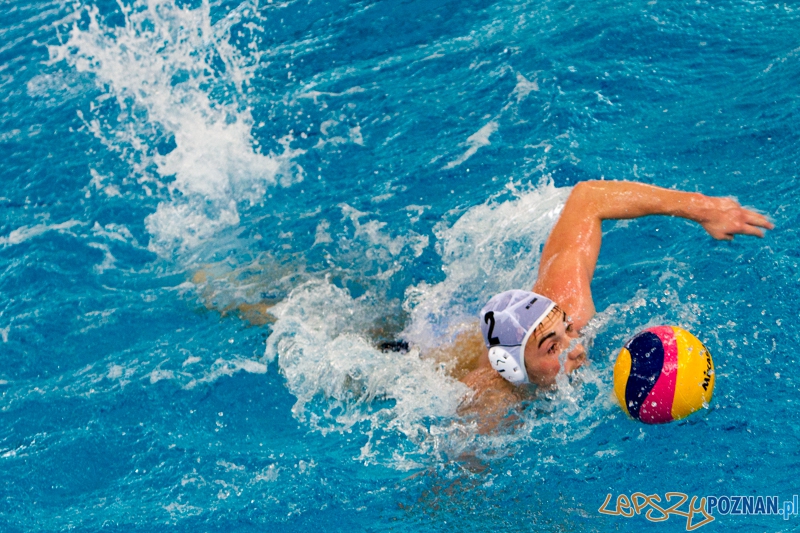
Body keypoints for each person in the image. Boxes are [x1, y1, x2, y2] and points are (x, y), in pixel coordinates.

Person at [458, 180, 774, 424]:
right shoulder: (492, 402)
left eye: (566, 329)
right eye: (552, 348)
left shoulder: (571, 304)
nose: (575, 347)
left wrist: (704, 209)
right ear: (514, 370)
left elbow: (587, 198)